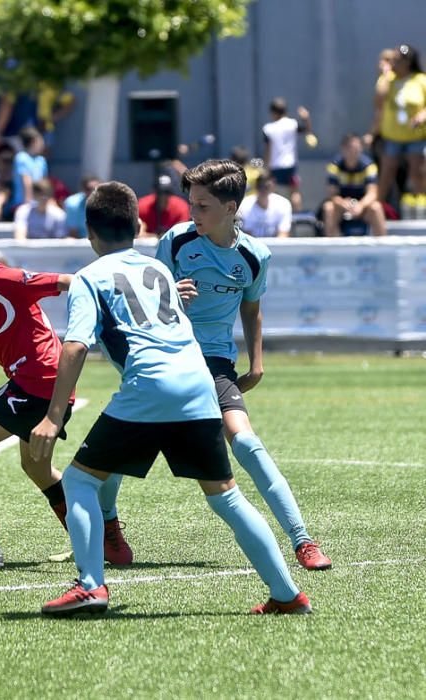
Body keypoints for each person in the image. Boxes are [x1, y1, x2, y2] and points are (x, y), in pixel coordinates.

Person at [30, 180, 311, 617]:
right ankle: (287, 594)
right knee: (226, 497)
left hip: (148, 388)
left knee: (79, 480)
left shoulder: (89, 277)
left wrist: (52, 417)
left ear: (89, 232)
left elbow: (75, 345)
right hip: (199, 384)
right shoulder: (158, 270)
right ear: (139, 225)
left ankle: (90, 586)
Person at [0, 209, 132, 570]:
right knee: (36, 467)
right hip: (35, 384)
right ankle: (102, 539)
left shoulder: (5, 278)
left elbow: (69, 281)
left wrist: (130, 293)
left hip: (40, 382)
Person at [155, 159, 331, 571]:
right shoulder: (176, 242)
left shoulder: (255, 255)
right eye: (190, 204)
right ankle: (109, 529)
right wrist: (168, 298)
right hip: (167, 357)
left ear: (231, 208)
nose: (192, 214)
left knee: (247, 443)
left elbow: (252, 309)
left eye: (202, 206)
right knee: (119, 452)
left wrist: (257, 362)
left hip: (214, 363)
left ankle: (303, 540)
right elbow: (148, 301)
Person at [367, 44, 426, 205]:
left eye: (397, 60)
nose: (394, 63)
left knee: (417, 170)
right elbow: (378, 101)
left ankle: (422, 203)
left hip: (415, 136)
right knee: (387, 171)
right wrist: (386, 75)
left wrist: (422, 115)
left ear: (408, 62)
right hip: (392, 137)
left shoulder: (420, 80)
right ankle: (378, 206)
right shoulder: (388, 80)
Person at [321, 133, 386, 237]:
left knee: (376, 208)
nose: (353, 152)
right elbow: (331, 194)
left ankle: (382, 245)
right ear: (343, 149)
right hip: (342, 206)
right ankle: (333, 246)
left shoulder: (369, 166)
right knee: (328, 208)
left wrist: (360, 205)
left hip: (362, 206)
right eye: (350, 148)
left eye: (356, 148)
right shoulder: (334, 166)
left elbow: (372, 193)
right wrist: (342, 203)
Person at [262, 97, 312, 212]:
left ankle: (274, 216)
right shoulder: (292, 124)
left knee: (272, 194)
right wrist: (306, 118)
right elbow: (307, 130)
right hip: (291, 166)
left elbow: (268, 149)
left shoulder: (268, 128)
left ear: (273, 113)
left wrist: (266, 168)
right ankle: (297, 217)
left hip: (275, 167)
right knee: (294, 192)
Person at [237, 172, 293, 238]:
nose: (263, 190)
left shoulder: (283, 204)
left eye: (267, 187)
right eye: (260, 186)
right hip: (252, 246)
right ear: (256, 188)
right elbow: (247, 236)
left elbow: (283, 234)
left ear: (273, 188)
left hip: (276, 246)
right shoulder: (245, 205)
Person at [12, 126, 47, 208]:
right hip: (23, 204)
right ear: (33, 142)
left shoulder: (41, 160)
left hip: (39, 204)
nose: (43, 143)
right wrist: (28, 203)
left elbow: (44, 182)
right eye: (40, 140)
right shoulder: (21, 157)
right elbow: (26, 181)